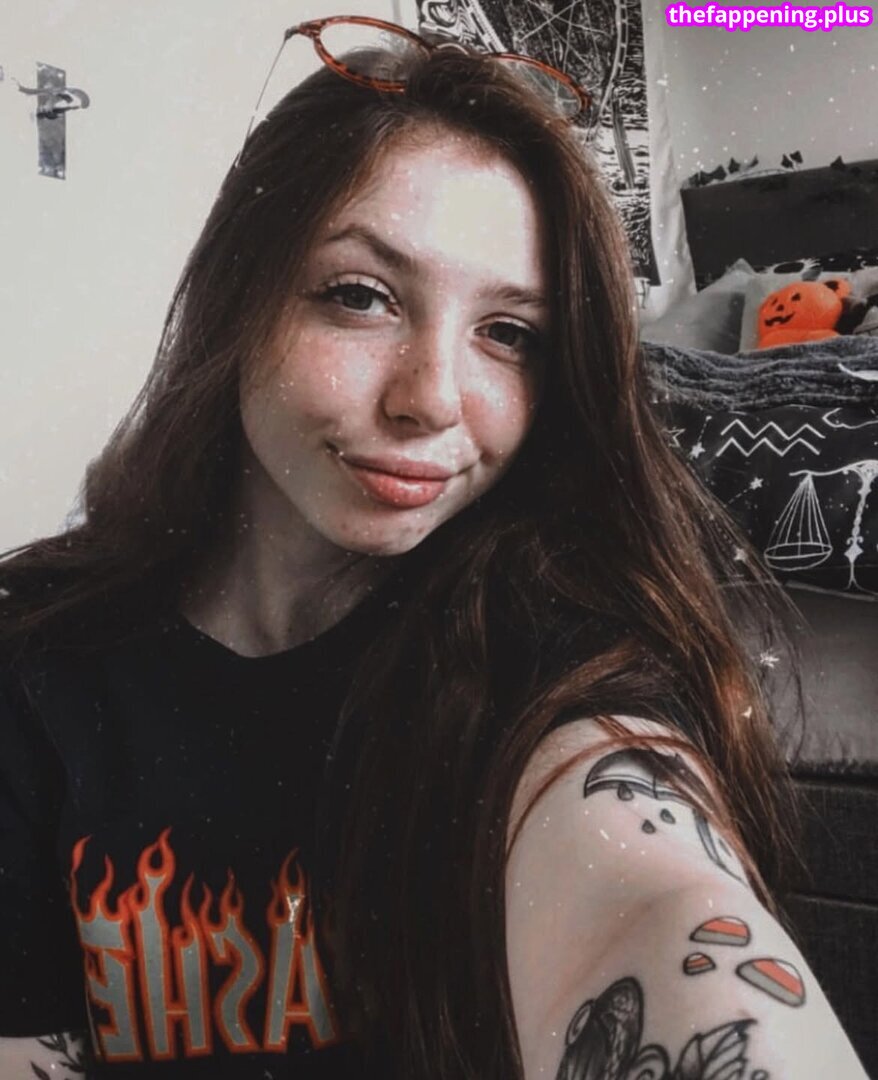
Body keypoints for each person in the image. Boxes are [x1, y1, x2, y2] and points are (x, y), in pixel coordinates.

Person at [0, 17, 868, 1080]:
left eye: (509, 334)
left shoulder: (562, 656)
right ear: (237, 298)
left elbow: (649, 901)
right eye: (360, 296)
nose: (433, 401)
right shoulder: (36, 661)